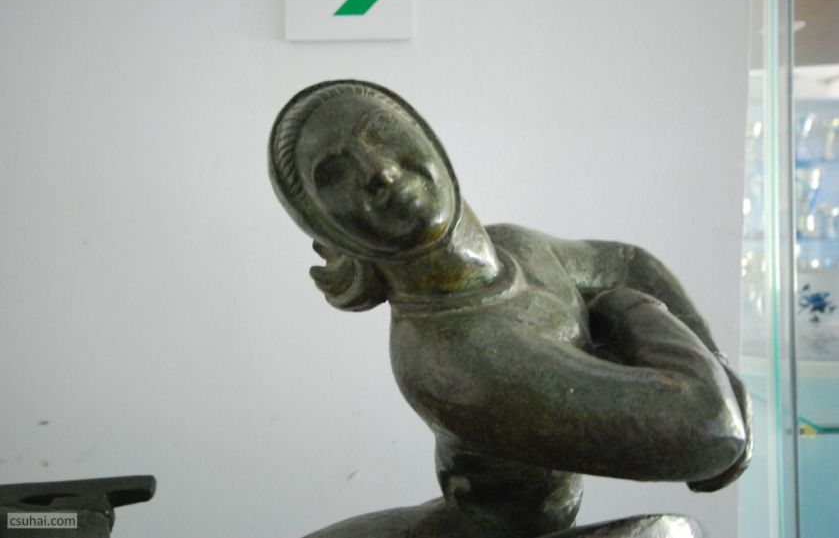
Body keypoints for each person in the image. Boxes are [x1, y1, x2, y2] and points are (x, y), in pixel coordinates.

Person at [268, 80, 752, 538]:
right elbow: (709, 430)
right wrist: (629, 308)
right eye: (334, 175)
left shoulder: (515, 246)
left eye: (379, 132)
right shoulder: (454, 356)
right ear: (334, 233)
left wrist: (715, 363)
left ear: (430, 139)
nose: (379, 171)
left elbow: (626, 262)